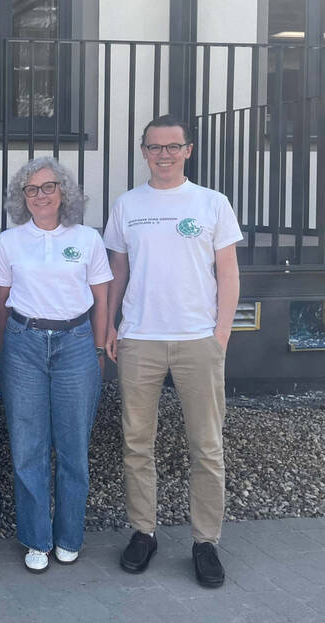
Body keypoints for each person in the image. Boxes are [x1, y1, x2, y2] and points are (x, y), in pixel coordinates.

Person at [104, 114, 242, 589]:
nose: (163, 154)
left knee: (206, 446)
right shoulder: (127, 205)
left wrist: (219, 335)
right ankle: (143, 532)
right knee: (136, 443)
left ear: (188, 150)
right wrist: (110, 325)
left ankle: (206, 542)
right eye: (154, 147)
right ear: (143, 151)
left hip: (197, 339)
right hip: (140, 337)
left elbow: (228, 273)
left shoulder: (211, 203)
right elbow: (117, 273)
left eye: (172, 146)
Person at [0, 156, 112, 573]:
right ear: (21, 198)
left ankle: (69, 536)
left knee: (74, 447)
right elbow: (0, 304)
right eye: (31, 189)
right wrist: (6, 354)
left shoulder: (88, 239)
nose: (40, 195)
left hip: (76, 344)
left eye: (48, 187)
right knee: (28, 448)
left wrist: (98, 349)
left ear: (64, 192)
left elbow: (102, 298)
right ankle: (36, 538)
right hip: (24, 344)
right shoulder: (9, 241)